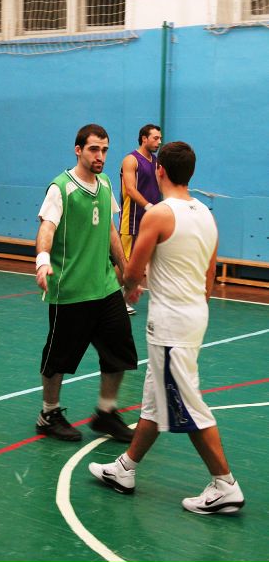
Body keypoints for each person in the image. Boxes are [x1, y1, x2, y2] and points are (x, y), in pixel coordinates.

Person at [89, 141, 245, 515]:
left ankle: (225, 484)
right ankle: (125, 468)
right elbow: (209, 276)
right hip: (194, 316)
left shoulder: (158, 214)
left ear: (160, 171)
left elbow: (132, 271)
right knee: (155, 400)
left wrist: (131, 286)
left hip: (171, 324)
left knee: (185, 403)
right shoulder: (206, 214)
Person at [35, 124, 138, 443]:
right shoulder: (61, 188)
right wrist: (42, 260)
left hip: (105, 288)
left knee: (119, 350)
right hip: (70, 291)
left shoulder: (106, 184)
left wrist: (127, 272)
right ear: (78, 150)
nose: (100, 156)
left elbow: (110, 231)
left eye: (105, 150)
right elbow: (47, 227)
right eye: (94, 149)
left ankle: (106, 412)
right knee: (58, 358)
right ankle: (48, 414)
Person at [118, 124, 162, 315]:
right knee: (124, 262)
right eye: (155, 138)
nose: (159, 142)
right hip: (132, 219)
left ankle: (122, 297)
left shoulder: (156, 161)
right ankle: (113, 298)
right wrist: (148, 206)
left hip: (151, 220)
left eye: (160, 138)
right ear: (144, 138)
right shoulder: (131, 160)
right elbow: (130, 189)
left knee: (142, 262)